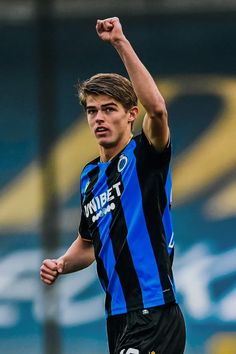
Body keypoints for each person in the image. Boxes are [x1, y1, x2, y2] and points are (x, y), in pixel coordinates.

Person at [40, 17, 186, 354]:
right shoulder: (89, 176)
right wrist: (62, 263)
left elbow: (159, 110)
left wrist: (120, 42)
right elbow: (88, 243)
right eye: (92, 111)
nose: (99, 118)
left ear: (131, 114)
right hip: (118, 318)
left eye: (109, 109)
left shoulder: (145, 155)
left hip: (153, 311)